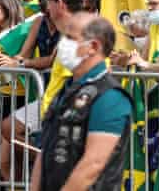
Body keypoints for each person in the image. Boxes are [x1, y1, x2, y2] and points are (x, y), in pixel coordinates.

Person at [32, 16, 132, 190]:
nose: (62, 45)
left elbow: (93, 164)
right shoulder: (66, 90)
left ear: (93, 46)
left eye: (70, 38)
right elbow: (46, 148)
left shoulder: (110, 96)